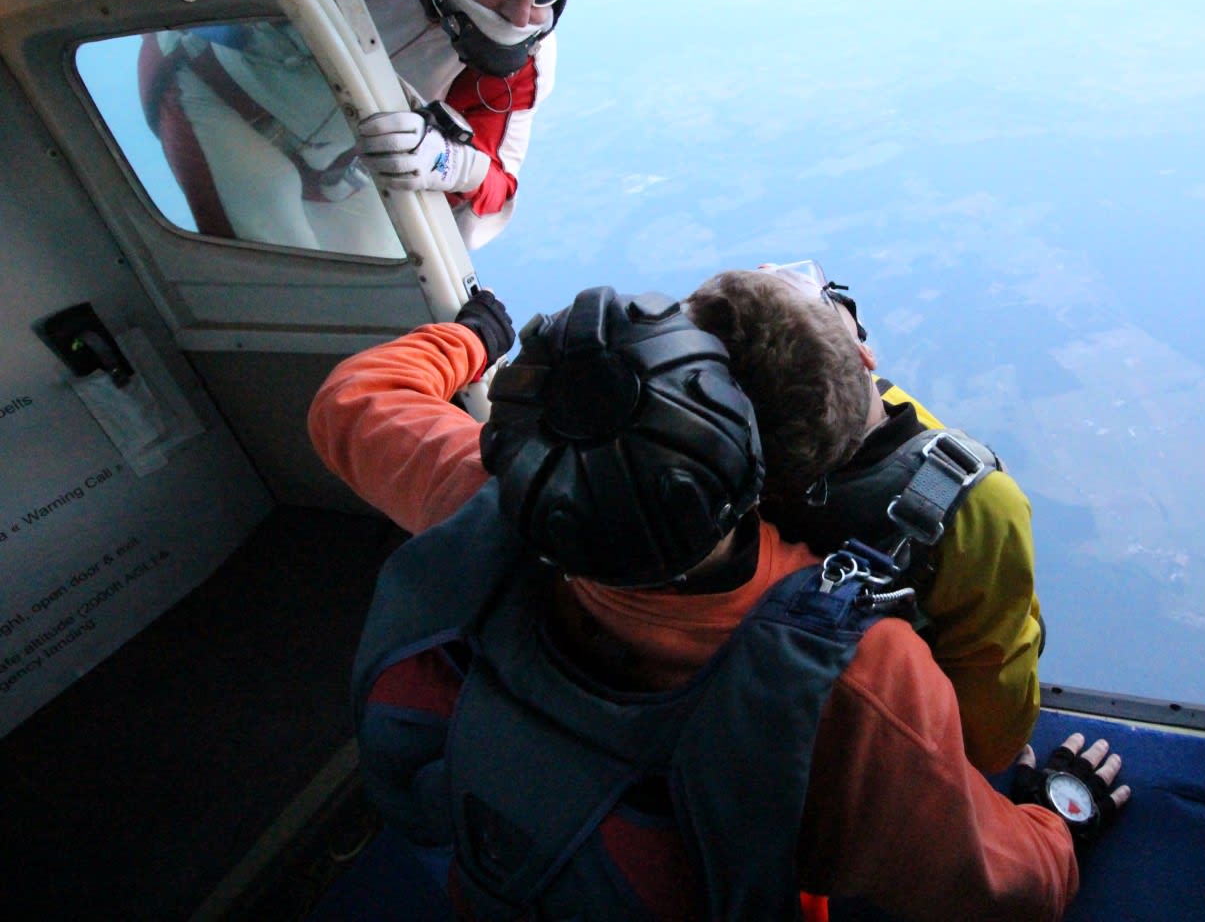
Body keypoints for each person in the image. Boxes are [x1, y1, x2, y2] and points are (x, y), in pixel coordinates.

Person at [308, 286, 1130, 920]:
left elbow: (349, 401)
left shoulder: (477, 498)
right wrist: (1060, 823)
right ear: (755, 463)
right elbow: (993, 894)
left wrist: (473, 335)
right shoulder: (856, 677)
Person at [140, 0, 624, 253]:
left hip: (337, 172)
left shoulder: (528, 56)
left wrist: (449, 162)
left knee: (401, 301)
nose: (520, 14)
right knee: (282, 259)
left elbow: (496, 183)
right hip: (209, 94)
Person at [685, 262, 1045, 774]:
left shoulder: (712, 473)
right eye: (825, 295)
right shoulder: (979, 507)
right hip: (899, 740)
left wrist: (779, 315)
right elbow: (988, 740)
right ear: (864, 354)